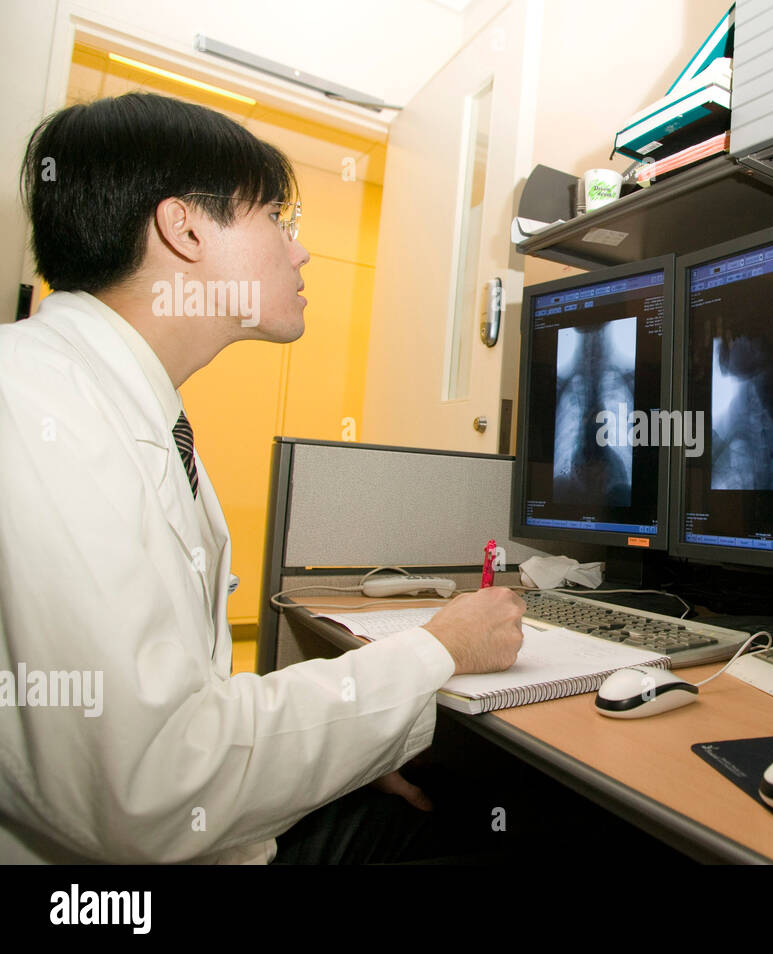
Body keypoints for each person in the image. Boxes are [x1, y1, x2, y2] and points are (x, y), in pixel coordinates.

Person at [0, 92, 524, 864]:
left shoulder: (110, 402)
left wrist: (337, 759)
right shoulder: (42, 414)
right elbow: (149, 787)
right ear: (183, 229)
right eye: (278, 218)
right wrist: (436, 649)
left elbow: (179, 723)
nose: (298, 250)